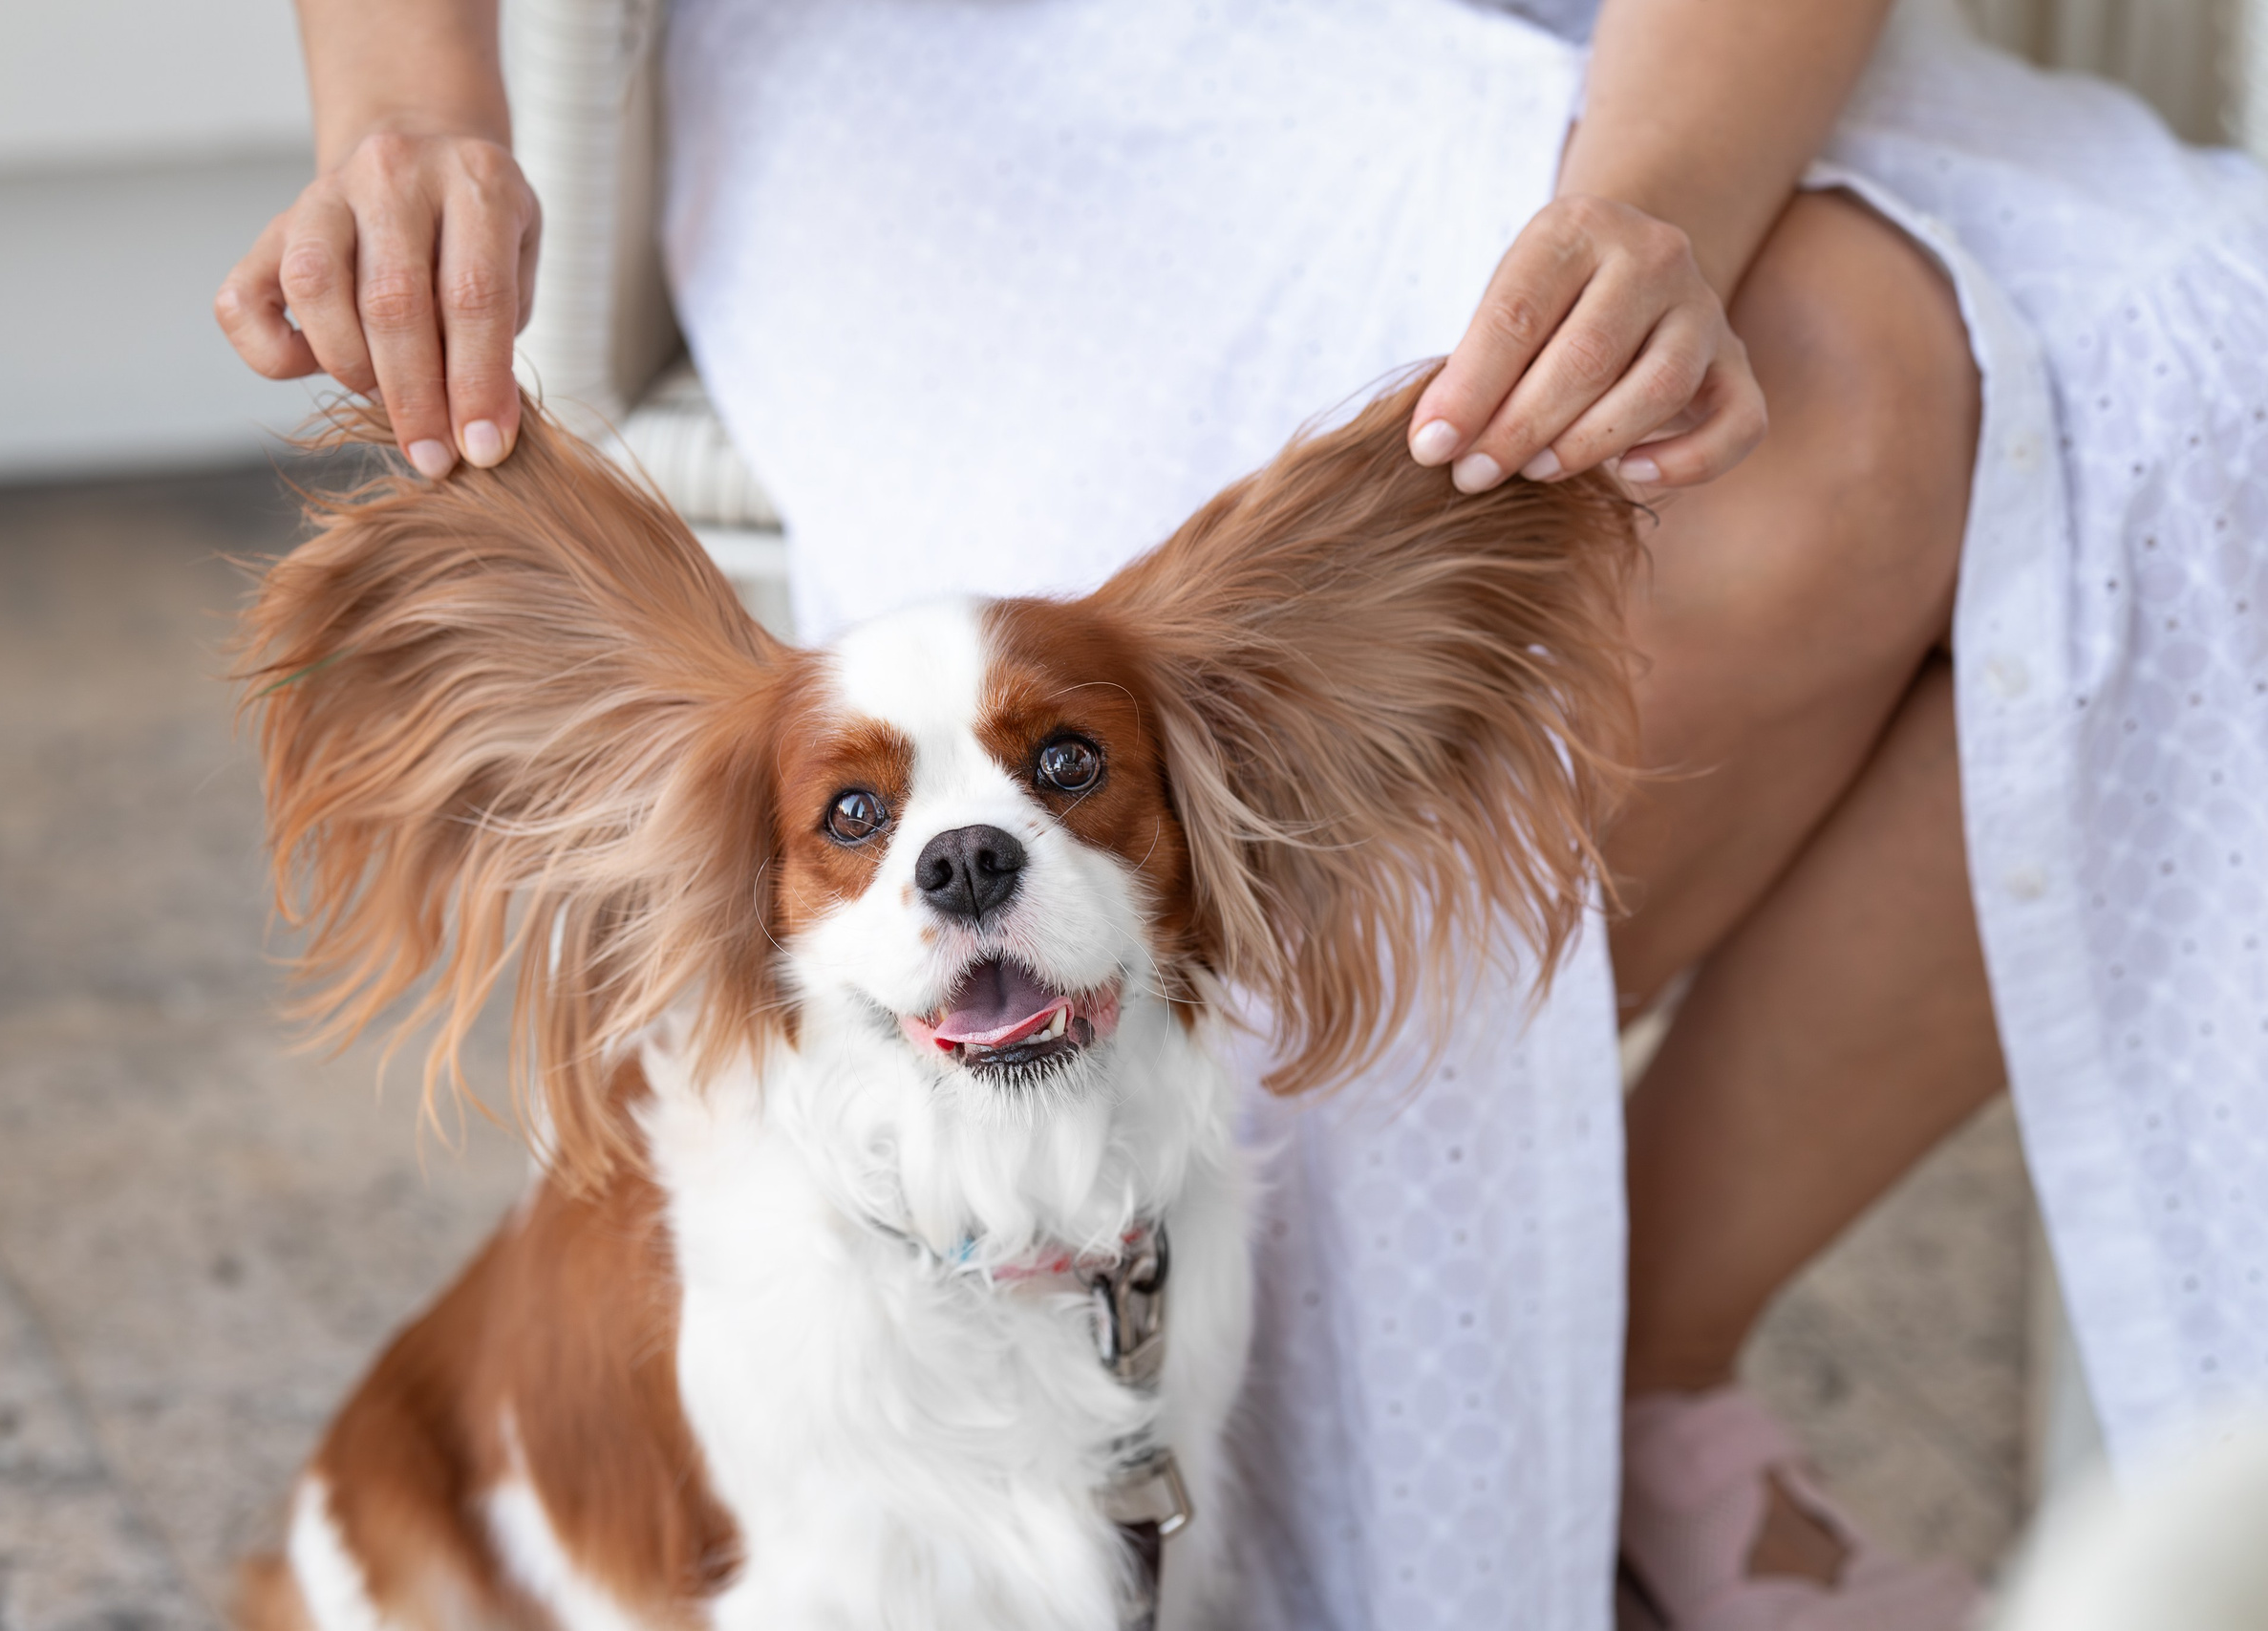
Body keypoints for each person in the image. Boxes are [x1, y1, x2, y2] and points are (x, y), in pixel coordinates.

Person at [218, 1, 2268, 1626]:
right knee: (1807, 444)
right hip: (950, 78)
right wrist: (407, 95)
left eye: (1053, 770)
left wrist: (1655, 198)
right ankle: (1438, 1412)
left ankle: (1613, 1375)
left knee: (2199, 379)